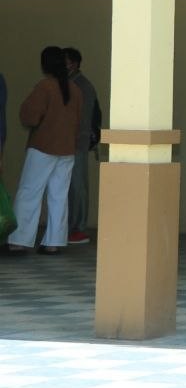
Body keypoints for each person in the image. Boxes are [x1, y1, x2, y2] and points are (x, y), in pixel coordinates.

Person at [8, 46, 83, 254]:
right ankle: (54, 242)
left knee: (29, 192)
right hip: (67, 149)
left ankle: (20, 240)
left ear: (45, 65)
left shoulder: (45, 87)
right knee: (59, 195)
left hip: (42, 147)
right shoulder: (74, 89)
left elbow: (29, 117)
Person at [63, 47, 99, 245]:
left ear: (75, 64)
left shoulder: (83, 86)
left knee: (78, 186)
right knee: (67, 187)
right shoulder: (67, 84)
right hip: (66, 143)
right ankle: (68, 227)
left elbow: (83, 119)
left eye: (65, 61)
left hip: (77, 142)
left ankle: (78, 228)